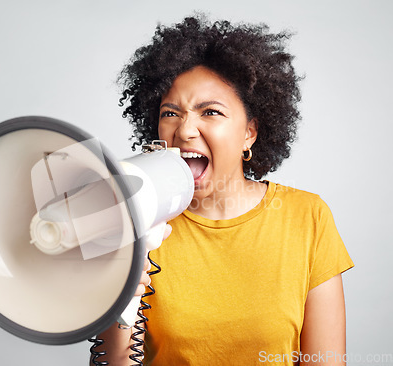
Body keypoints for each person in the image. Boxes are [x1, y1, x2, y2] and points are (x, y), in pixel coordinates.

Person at [91, 15, 354, 365]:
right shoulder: (134, 221)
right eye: (170, 113)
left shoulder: (307, 218)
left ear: (249, 133)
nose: (184, 130)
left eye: (210, 112)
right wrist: (122, 287)